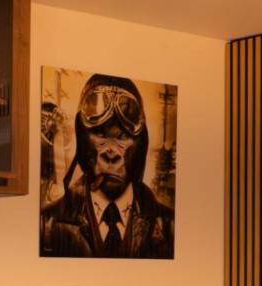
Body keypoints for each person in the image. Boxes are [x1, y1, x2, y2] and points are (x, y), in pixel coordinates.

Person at [40, 74, 174, 259]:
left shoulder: (169, 227)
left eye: (122, 137)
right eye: (100, 135)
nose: (111, 153)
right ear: (83, 140)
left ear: (140, 145)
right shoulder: (46, 225)